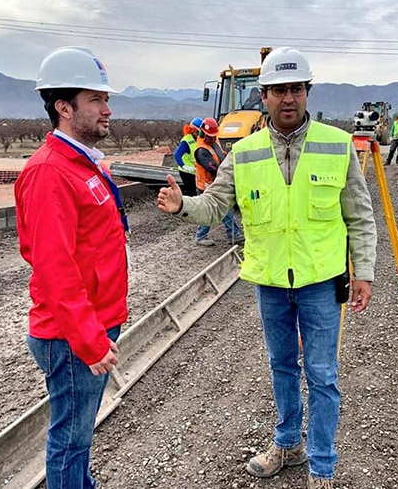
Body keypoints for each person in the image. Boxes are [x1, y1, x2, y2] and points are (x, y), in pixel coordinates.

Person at [157, 47, 377, 489]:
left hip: (321, 282)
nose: (287, 98)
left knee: (323, 375)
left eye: (295, 89)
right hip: (271, 282)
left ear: (307, 92)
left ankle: (322, 467)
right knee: (282, 367)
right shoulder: (244, 153)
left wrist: (364, 272)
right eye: (278, 90)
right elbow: (215, 206)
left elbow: (359, 215)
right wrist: (184, 206)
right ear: (264, 96)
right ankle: (288, 444)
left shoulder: (336, 145)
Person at [15, 46, 128, 489]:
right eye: (96, 99)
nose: (107, 109)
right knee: (70, 439)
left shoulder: (81, 164)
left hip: (92, 323)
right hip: (71, 335)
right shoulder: (50, 173)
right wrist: (89, 340)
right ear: (64, 108)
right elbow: (54, 268)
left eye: (106, 98)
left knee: (79, 437)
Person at [193, 117, 243, 246]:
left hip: (217, 183)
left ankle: (202, 236)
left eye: (214, 136)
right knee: (223, 209)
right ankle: (233, 235)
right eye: (210, 136)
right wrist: (228, 173)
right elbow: (212, 167)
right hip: (207, 186)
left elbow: (222, 156)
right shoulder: (201, 151)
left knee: (213, 211)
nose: (213, 139)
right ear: (202, 134)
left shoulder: (214, 143)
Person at [174, 117, 202, 196]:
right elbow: (177, 154)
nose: (199, 134)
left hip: (195, 171)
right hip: (187, 172)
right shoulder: (186, 141)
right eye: (197, 132)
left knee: (195, 192)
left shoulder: (199, 139)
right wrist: (184, 166)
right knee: (191, 192)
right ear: (193, 130)